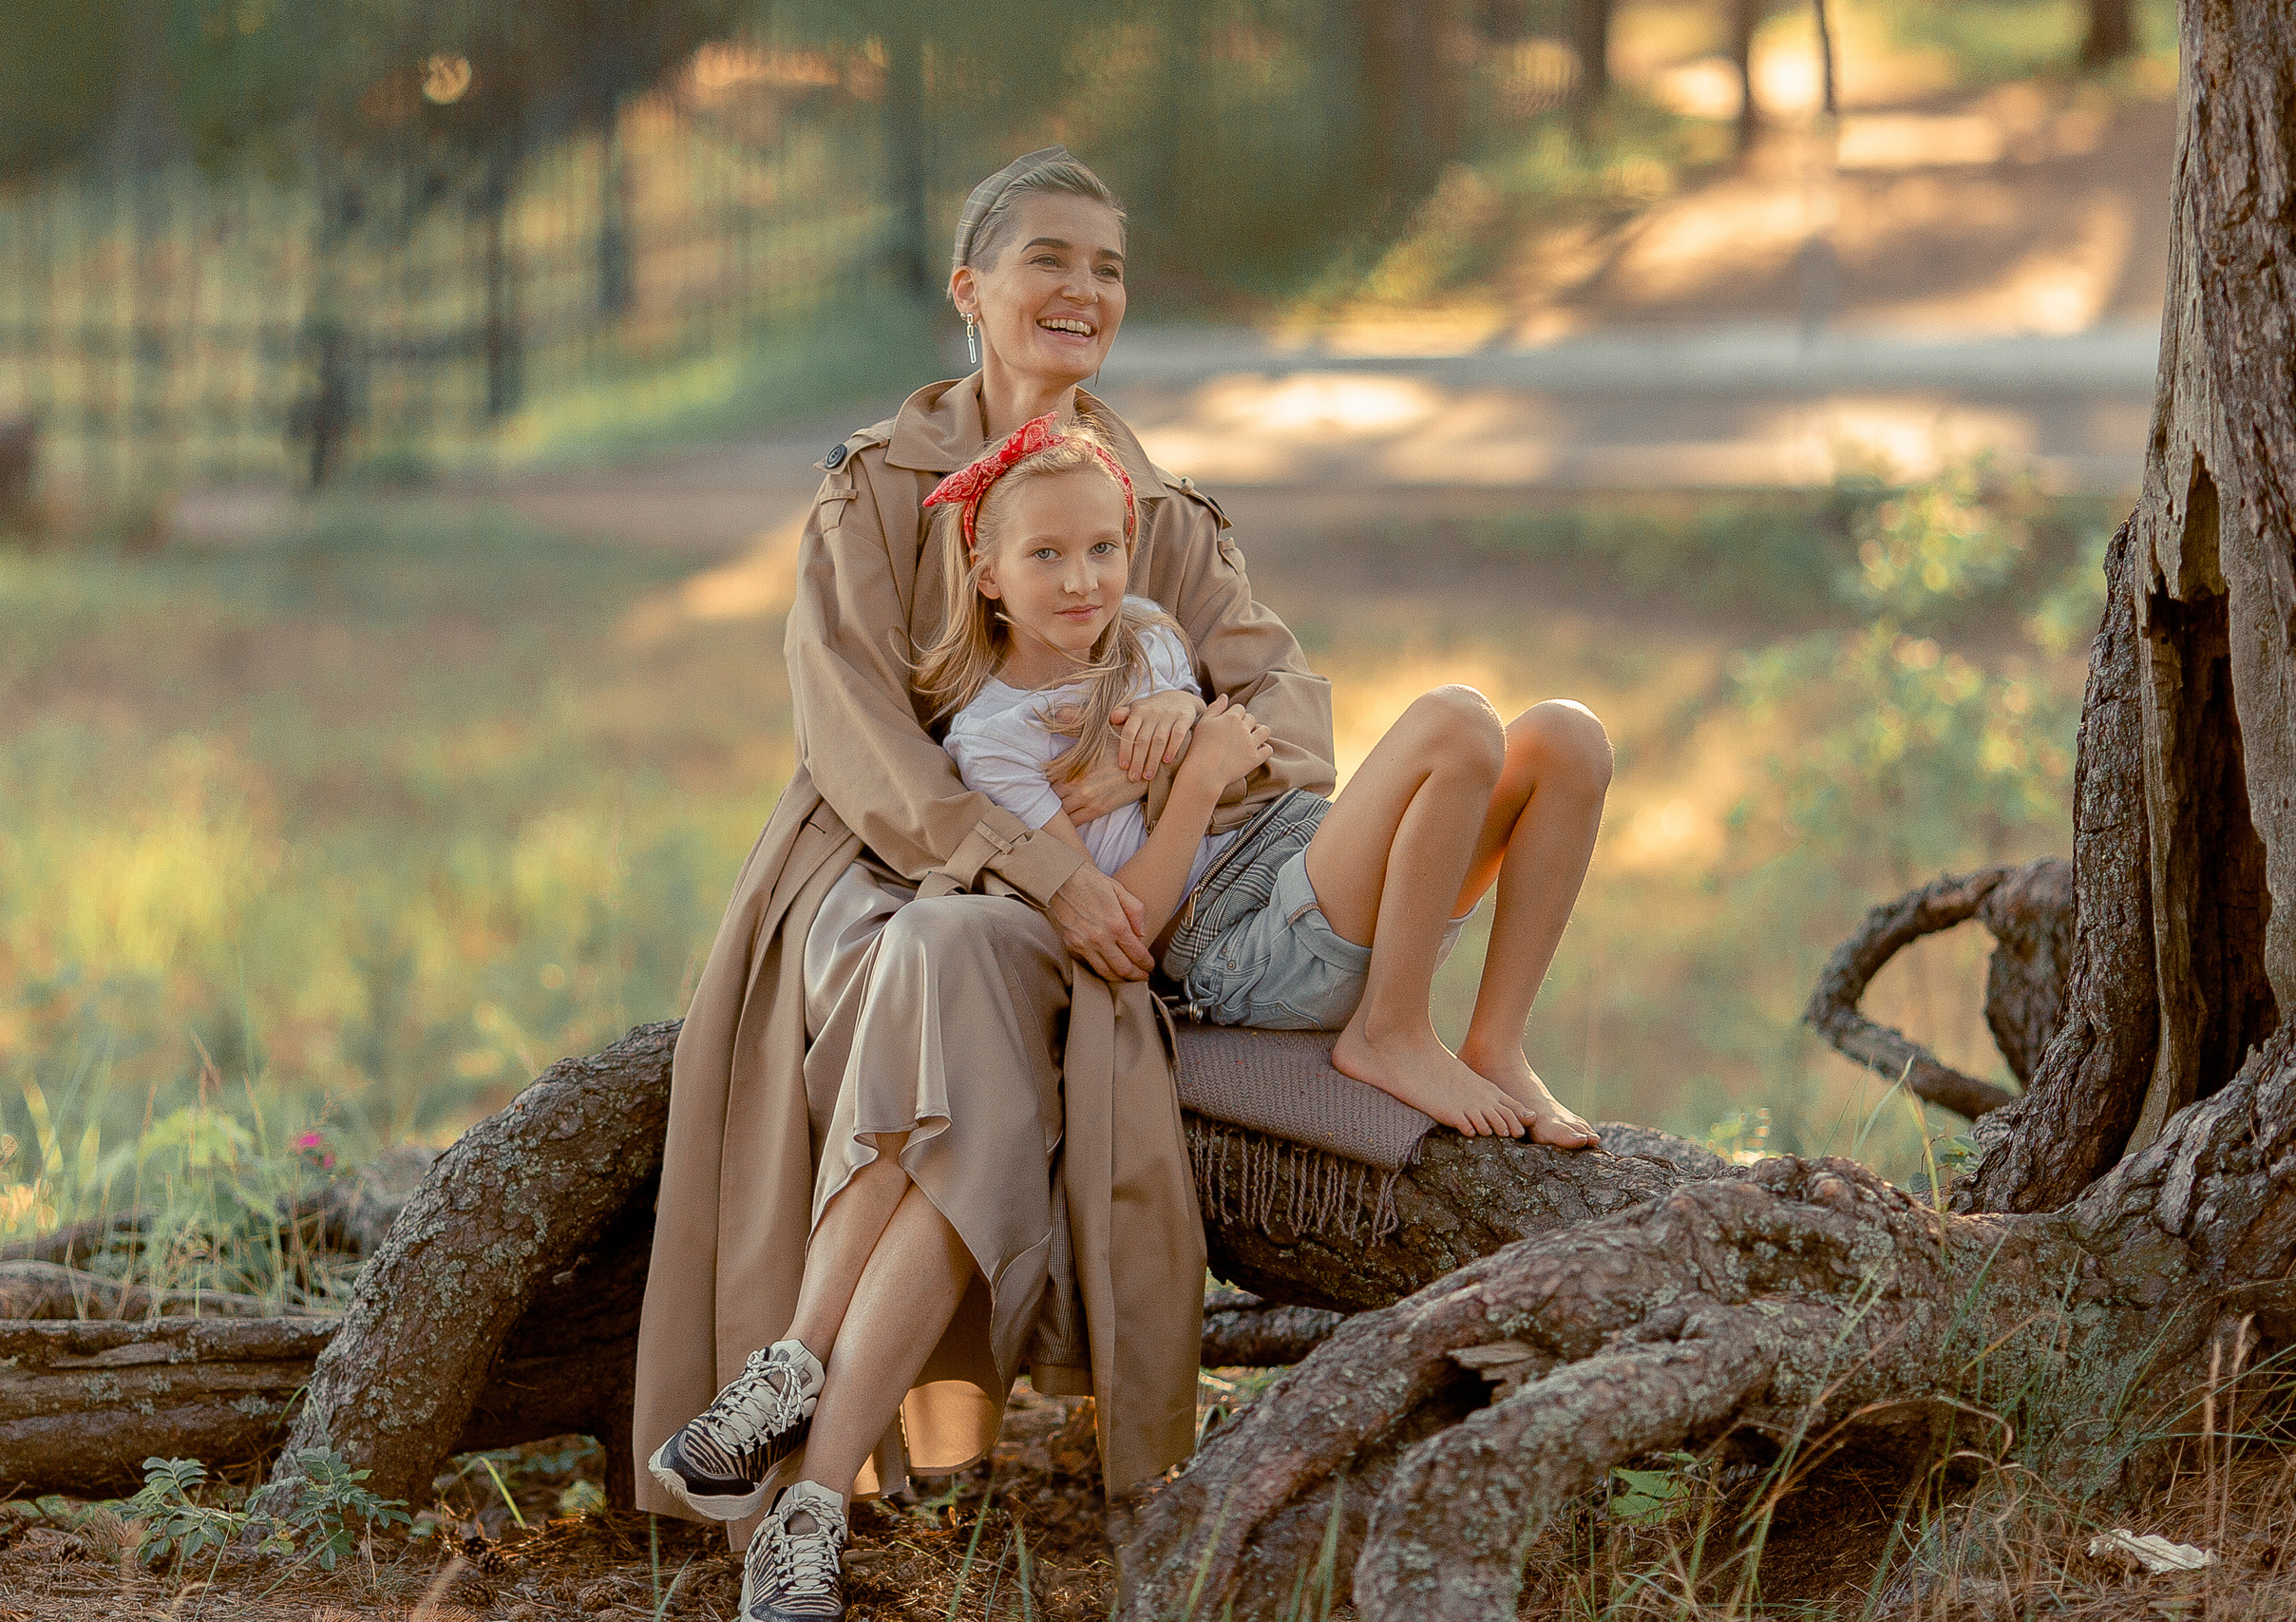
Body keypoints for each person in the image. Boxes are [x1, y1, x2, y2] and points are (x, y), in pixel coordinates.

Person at [628, 148, 1337, 1622]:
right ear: (972, 291)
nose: (1083, 289)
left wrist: (1188, 746)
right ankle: (815, 1494)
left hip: (1096, 882)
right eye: (1050, 259)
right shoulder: (878, 483)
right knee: (951, 956)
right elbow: (856, 734)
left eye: (1110, 267)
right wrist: (1029, 865)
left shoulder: (1151, 508)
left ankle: (794, 1438)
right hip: (888, 867)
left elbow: (1295, 713)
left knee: (974, 988)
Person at [922, 412, 1613, 1141]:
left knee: (1570, 739)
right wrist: (1196, 778)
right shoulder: (994, 739)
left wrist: (1183, 717)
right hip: (1221, 942)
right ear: (988, 574)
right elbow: (1120, 931)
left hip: (1288, 851)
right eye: (1045, 554)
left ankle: (1497, 1045)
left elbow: (1231, 737)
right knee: (1456, 722)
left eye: (1103, 547)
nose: (1081, 579)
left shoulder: (1147, 633)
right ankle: (1391, 1032)